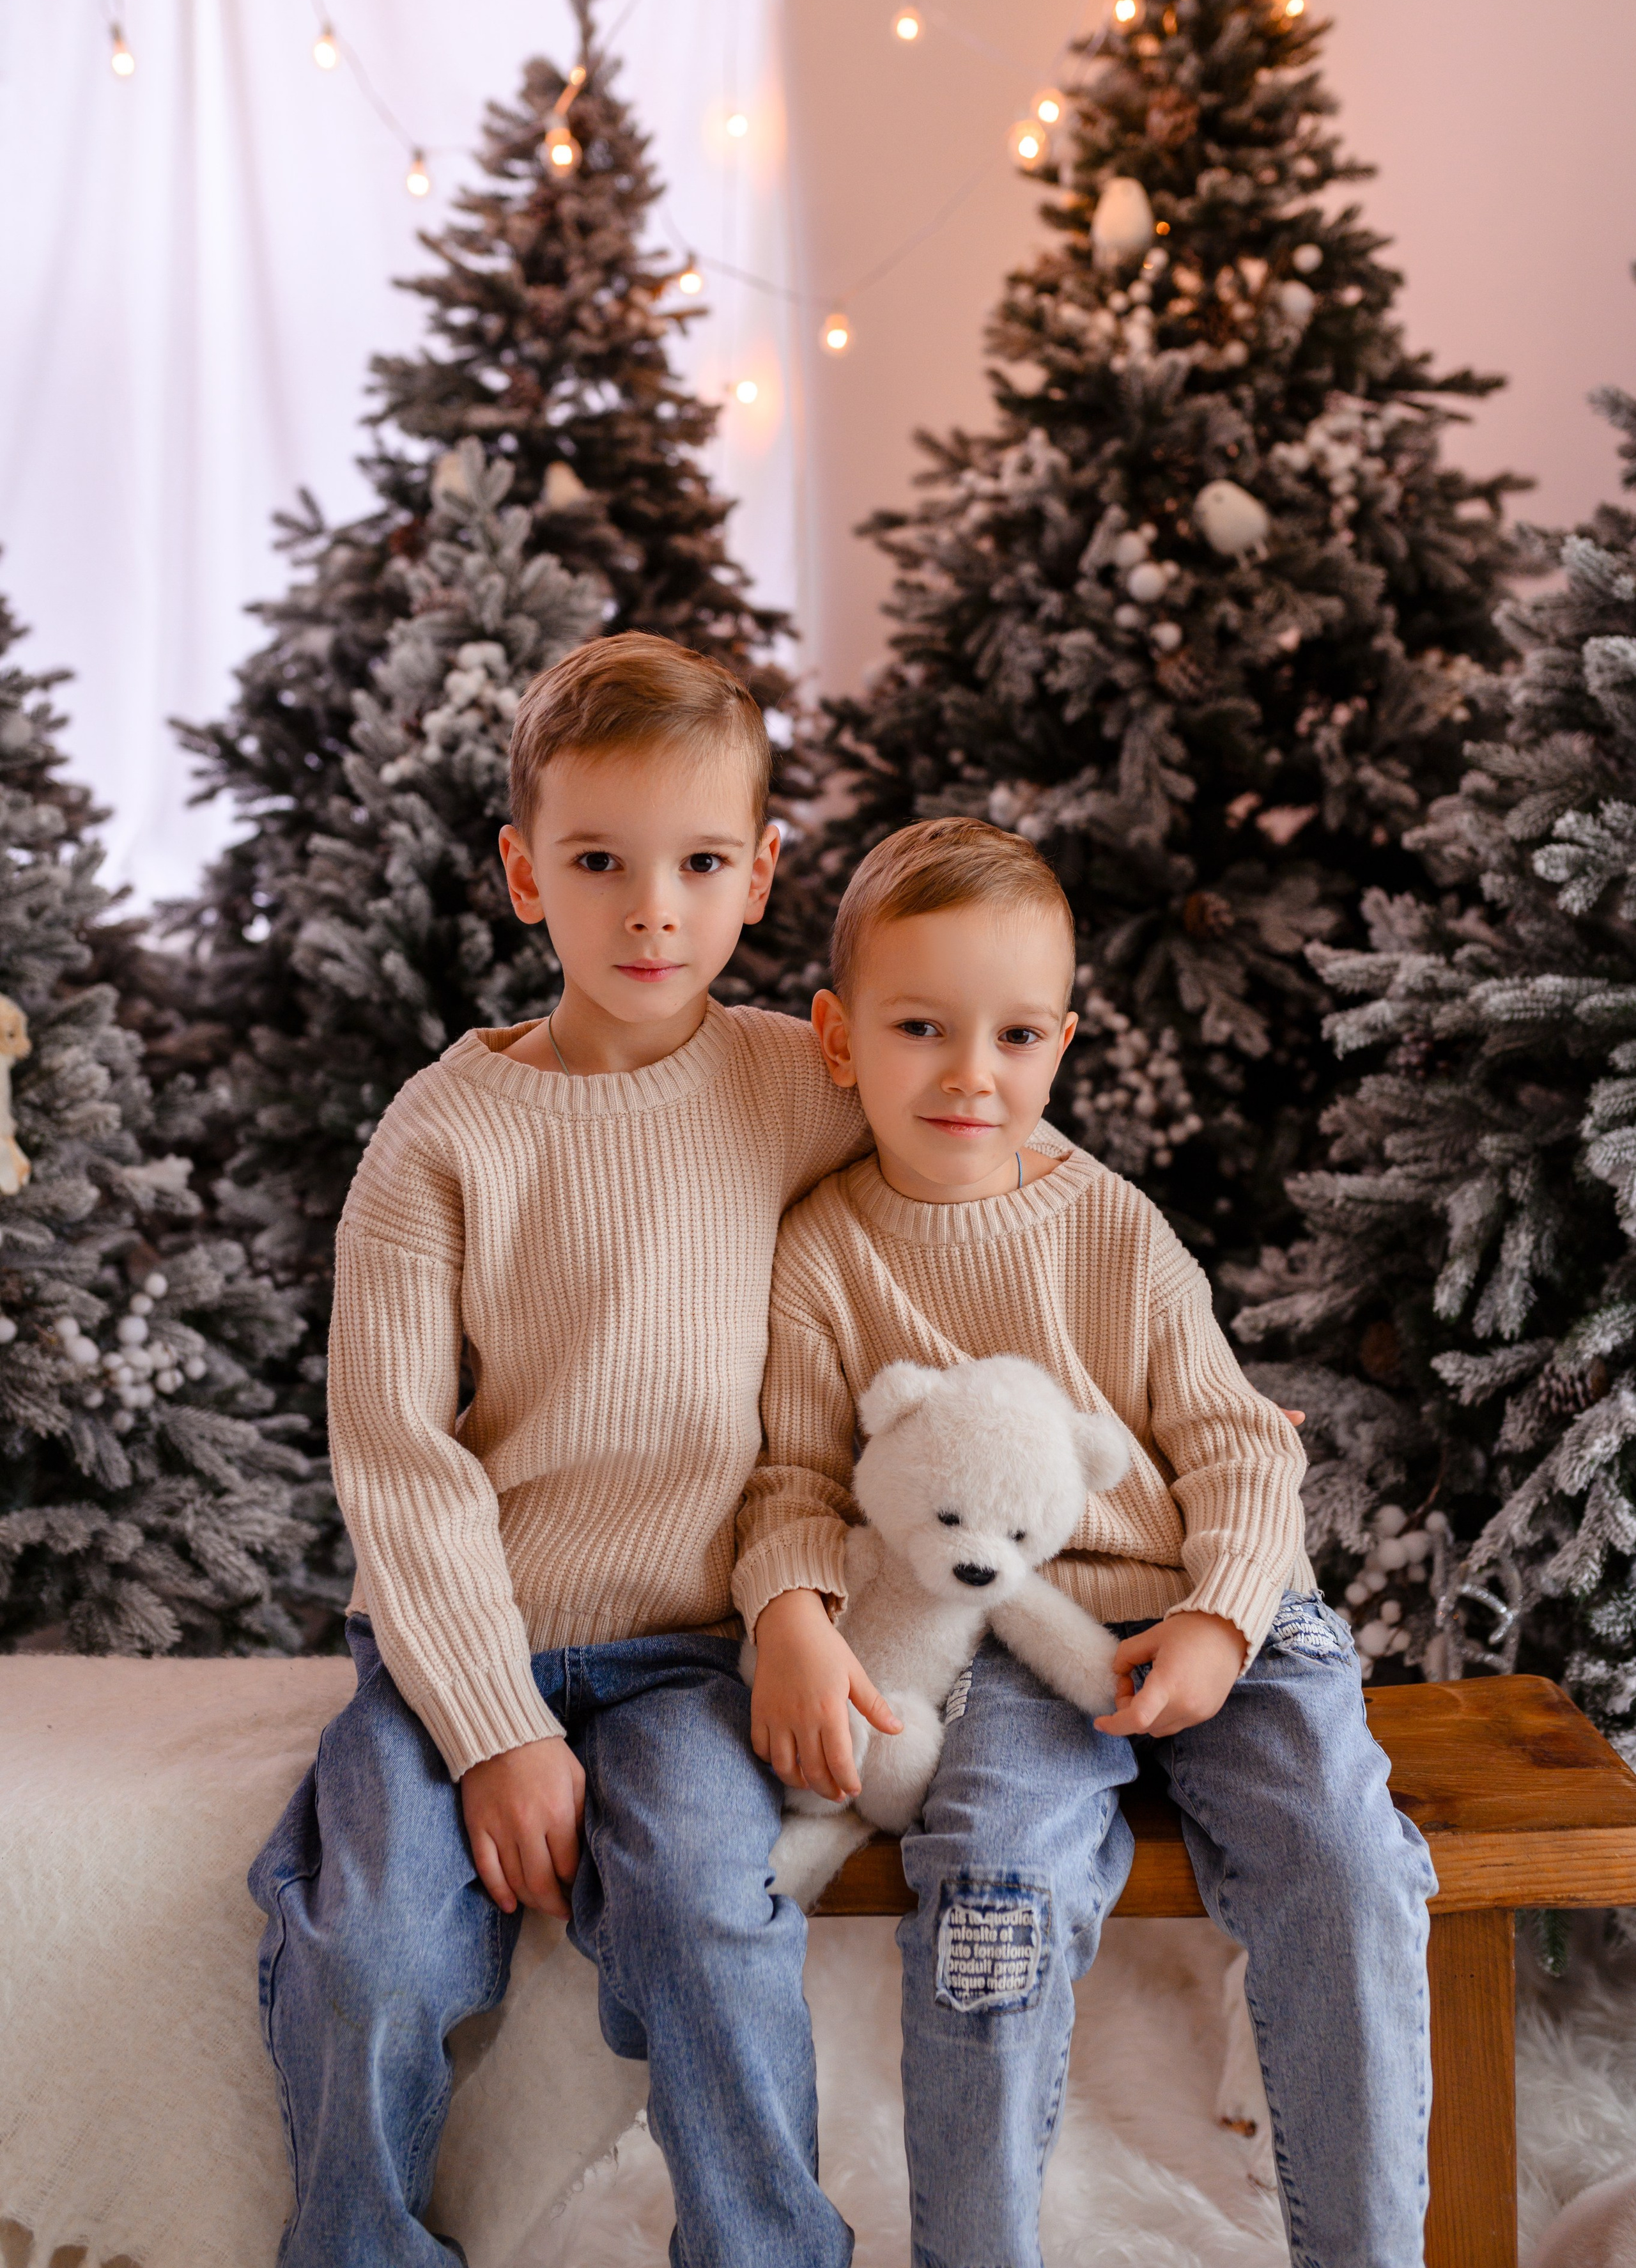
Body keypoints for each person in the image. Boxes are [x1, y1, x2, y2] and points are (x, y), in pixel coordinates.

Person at [248, 632, 891, 2268]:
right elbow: (395, 1456)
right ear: (527, 877)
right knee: (368, 1938)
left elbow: (999, 1162)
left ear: (759, 875)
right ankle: (354, 2245)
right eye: (599, 862)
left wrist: (1175, 1388)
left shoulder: (790, 1080)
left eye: (694, 863)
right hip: (467, 1639)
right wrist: (489, 1728)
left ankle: (765, 2250)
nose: (649, 909)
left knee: (701, 1903)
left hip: (698, 1655)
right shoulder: (443, 1136)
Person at [737, 815, 1439, 2268]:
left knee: (1345, 1866)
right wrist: (789, 1611)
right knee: (987, 1886)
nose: (966, 1073)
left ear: (1059, 1044)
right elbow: (796, 1479)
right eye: (920, 1027)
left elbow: (1241, 1444)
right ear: (838, 1036)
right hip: (1016, 1649)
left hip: (1219, 1619)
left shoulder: (1112, 1231)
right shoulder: (822, 1253)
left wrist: (1220, 1620)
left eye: (1009, 1035)